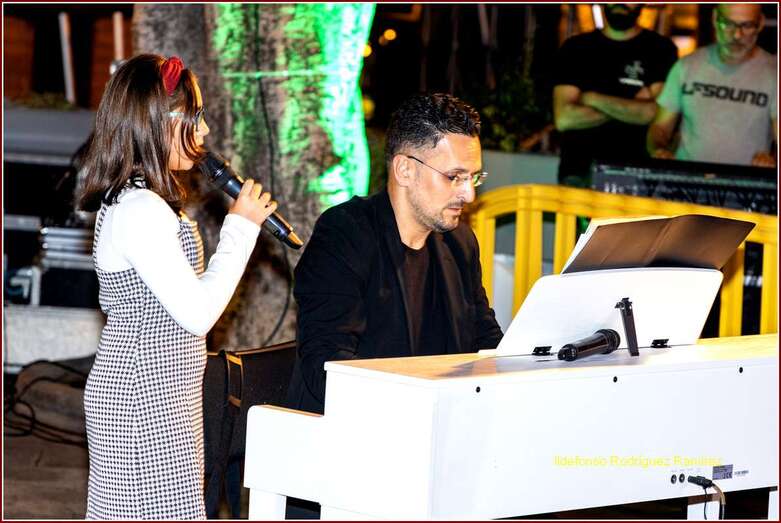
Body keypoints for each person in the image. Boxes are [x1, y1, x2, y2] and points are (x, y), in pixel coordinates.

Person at [78, 54, 278, 519]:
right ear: (157, 122)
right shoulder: (139, 209)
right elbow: (197, 313)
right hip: (142, 400)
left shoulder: (145, 202)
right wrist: (240, 229)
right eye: (195, 116)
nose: (204, 130)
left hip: (161, 395)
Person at [287, 93, 503, 414]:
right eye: (454, 177)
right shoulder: (345, 234)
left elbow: (485, 342)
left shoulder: (460, 243)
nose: (468, 194)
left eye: (473, 177)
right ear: (404, 169)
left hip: (438, 422)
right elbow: (328, 369)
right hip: (351, 427)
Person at [553, 4, 678, 187]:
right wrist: (633, 105)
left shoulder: (660, 49)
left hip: (637, 175)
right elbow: (564, 119)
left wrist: (591, 98)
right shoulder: (575, 48)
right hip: (579, 174)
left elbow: (655, 114)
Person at [647, 4, 777, 167]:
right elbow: (660, 127)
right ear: (715, 18)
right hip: (688, 178)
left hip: (744, 180)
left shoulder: (774, 73)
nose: (737, 35)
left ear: (761, 23)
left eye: (747, 25)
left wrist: (772, 162)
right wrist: (659, 150)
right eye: (728, 24)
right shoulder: (686, 66)